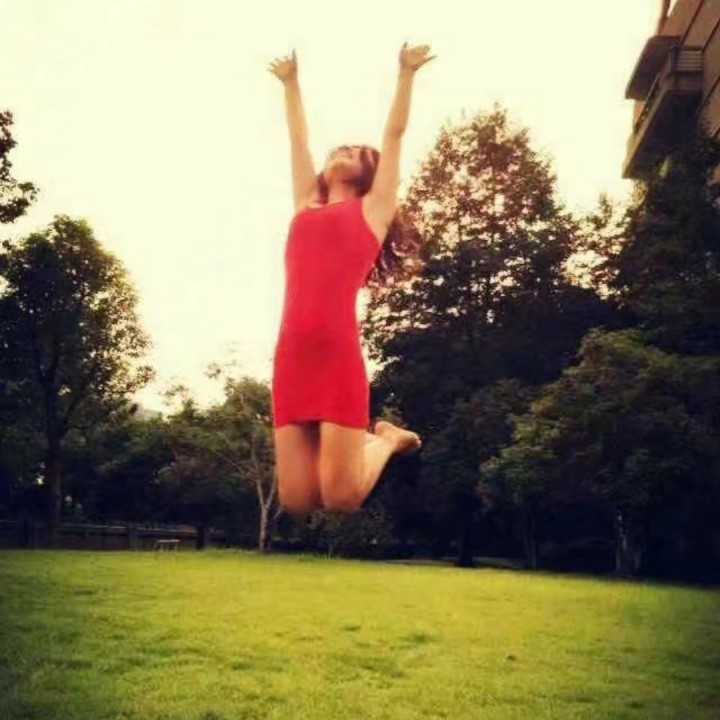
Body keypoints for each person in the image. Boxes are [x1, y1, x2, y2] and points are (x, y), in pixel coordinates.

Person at [267, 42, 436, 515]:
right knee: (298, 501)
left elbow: (395, 133)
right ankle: (368, 444)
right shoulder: (305, 204)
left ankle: (386, 440)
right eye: (339, 148)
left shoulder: (373, 210)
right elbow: (297, 141)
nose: (344, 149)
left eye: (358, 151)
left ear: (370, 172)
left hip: (336, 355)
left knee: (341, 499)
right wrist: (290, 84)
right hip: (291, 357)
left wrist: (405, 74)